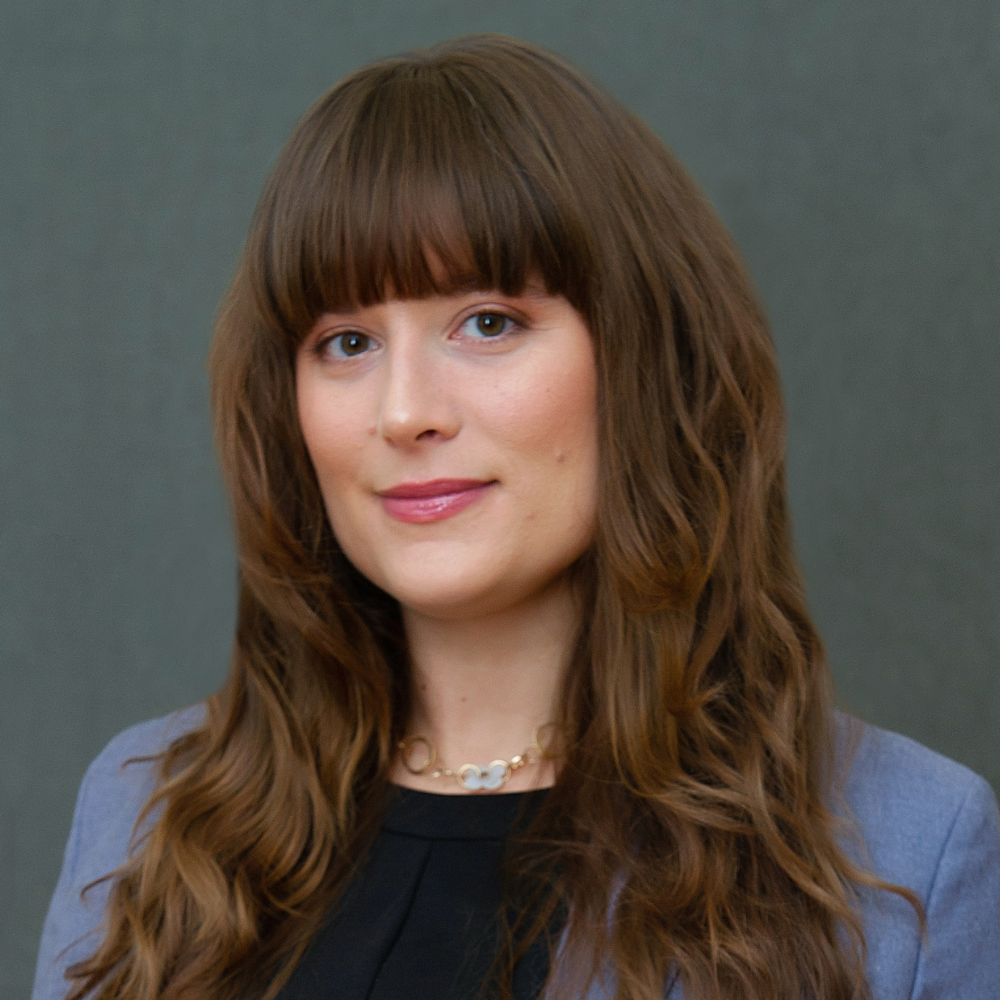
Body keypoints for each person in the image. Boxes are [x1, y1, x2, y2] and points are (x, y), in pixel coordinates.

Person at [32, 33, 1000, 1000]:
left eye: (487, 322)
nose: (404, 410)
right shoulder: (144, 816)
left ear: (642, 358)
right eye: (347, 341)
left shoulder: (909, 846)